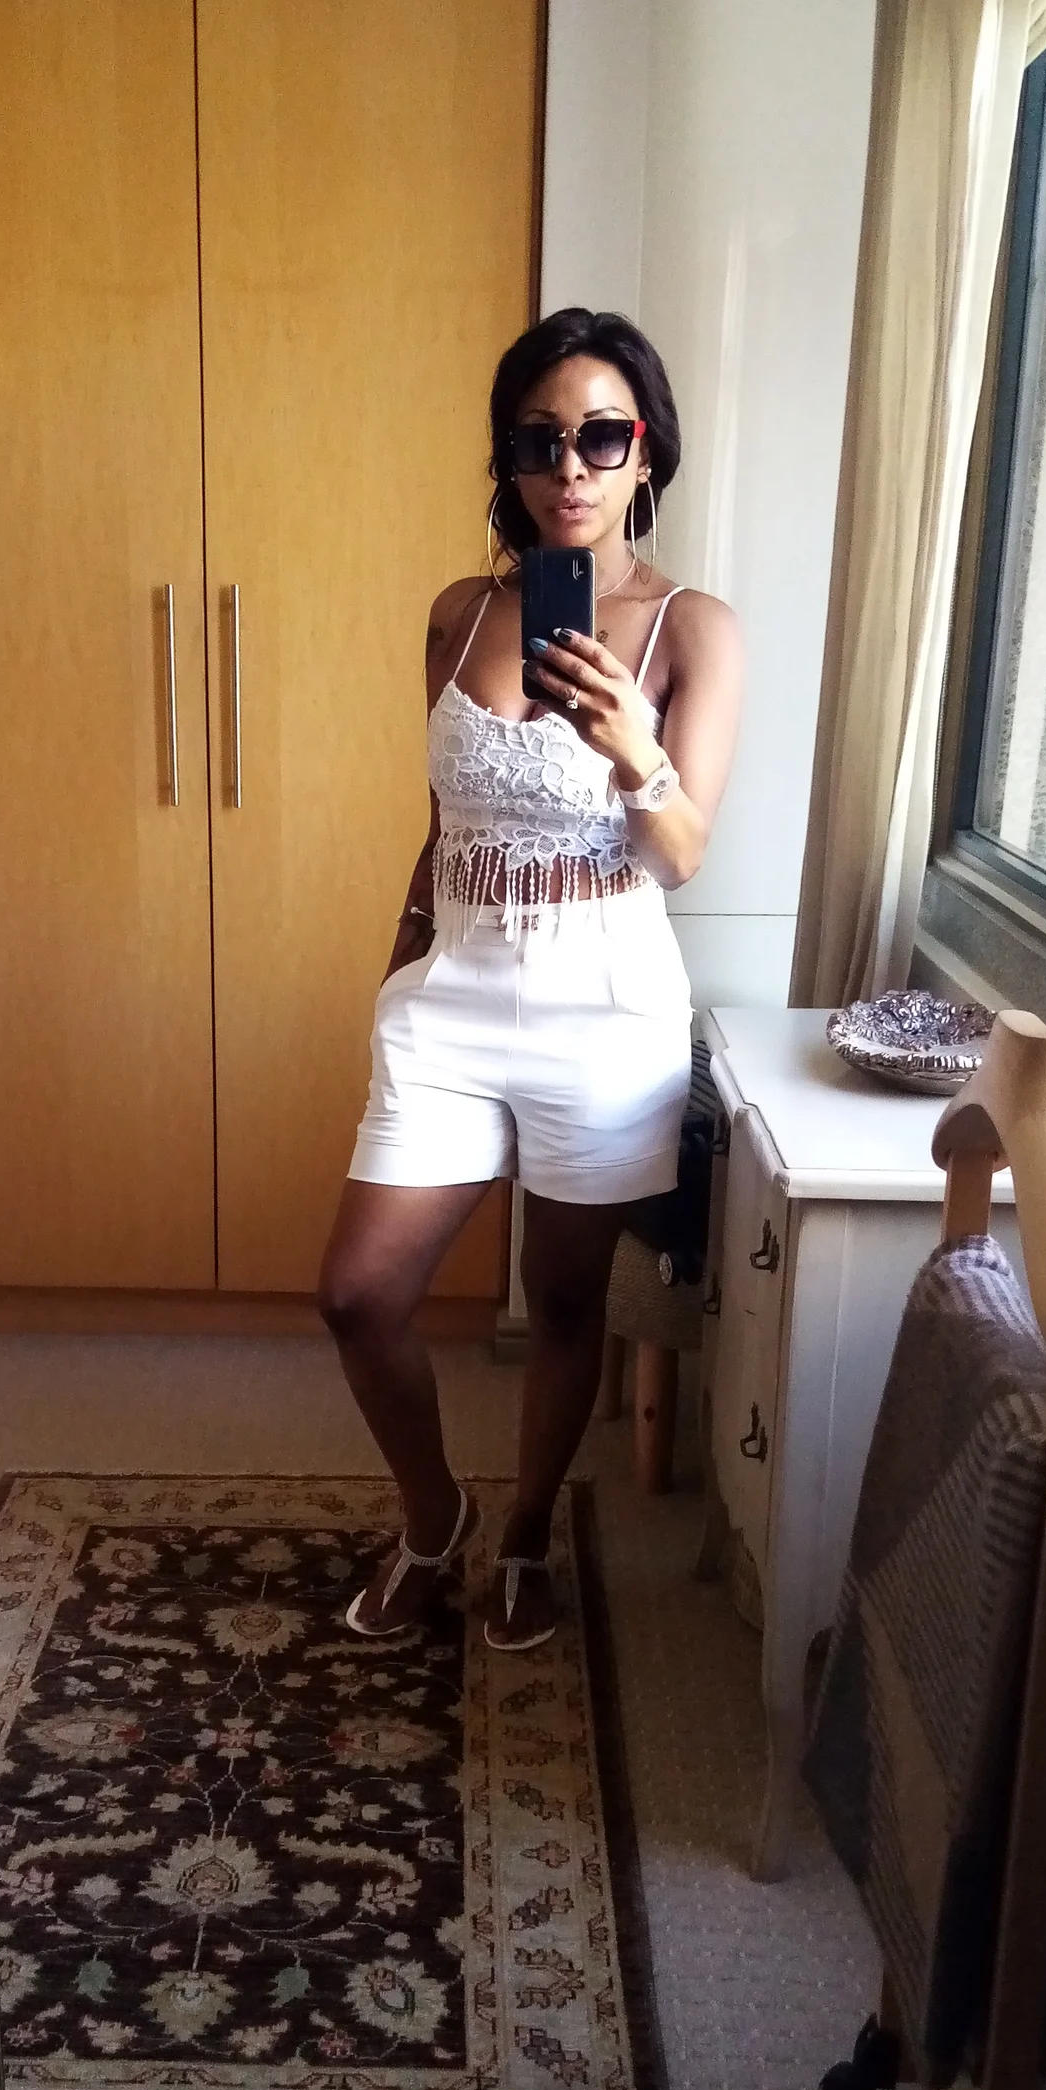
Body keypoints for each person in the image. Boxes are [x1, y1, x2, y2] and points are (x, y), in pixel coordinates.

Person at [317, 307, 743, 1650]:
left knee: (562, 1305)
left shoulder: (692, 629)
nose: (571, 466)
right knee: (359, 1295)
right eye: (540, 439)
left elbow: (681, 853)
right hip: (454, 991)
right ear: (506, 457)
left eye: (602, 437)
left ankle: (525, 1537)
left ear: (645, 454)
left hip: (603, 1010)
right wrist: (403, 954)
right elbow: (444, 818)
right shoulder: (462, 615)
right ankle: (433, 1519)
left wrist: (633, 743)